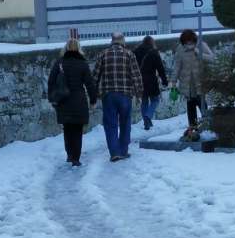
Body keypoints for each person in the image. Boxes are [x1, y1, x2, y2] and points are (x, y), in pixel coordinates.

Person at [93, 32, 143, 162]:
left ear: (112, 41)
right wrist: (139, 93)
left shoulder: (103, 54)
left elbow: (95, 76)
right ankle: (124, 150)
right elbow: (136, 75)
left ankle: (114, 152)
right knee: (125, 123)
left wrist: (94, 94)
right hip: (125, 94)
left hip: (108, 94)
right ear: (122, 41)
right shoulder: (129, 54)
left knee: (110, 124)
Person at [48, 38, 97, 166]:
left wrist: (52, 98)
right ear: (79, 49)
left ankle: (69, 154)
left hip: (63, 101)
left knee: (67, 128)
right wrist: (93, 100)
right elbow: (90, 84)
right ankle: (76, 157)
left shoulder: (59, 63)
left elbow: (51, 82)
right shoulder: (82, 64)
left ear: (66, 48)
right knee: (77, 130)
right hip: (79, 101)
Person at [173, 29, 214, 133]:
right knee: (190, 106)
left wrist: (199, 54)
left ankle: (208, 126)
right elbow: (177, 66)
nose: (188, 43)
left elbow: (212, 58)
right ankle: (192, 128)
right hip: (187, 84)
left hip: (200, 82)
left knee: (202, 104)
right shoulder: (180, 49)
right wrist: (173, 81)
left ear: (193, 39)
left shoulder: (201, 45)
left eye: (190, 41)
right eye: (186, 41)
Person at [134, 35, 168, 130]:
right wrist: (164, 80)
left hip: (139, 80)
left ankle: (146, 122)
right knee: (155, 100)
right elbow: (160, 68)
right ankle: (148, 116)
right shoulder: (154, 52)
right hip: (151, 80)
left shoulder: (135, 52)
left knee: (144, 101)